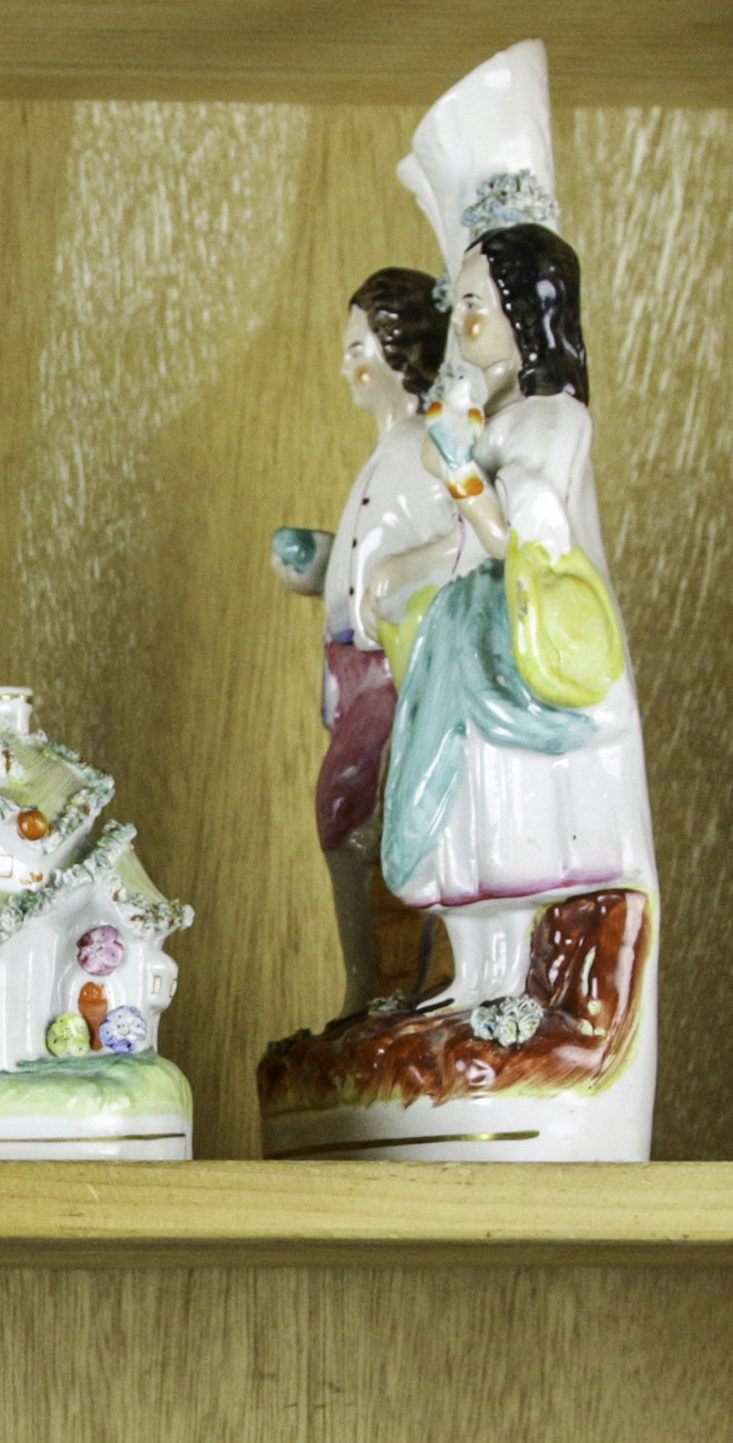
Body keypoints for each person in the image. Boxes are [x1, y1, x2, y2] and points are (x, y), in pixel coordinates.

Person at [369, 222, 656, 1036]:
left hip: (506, 632)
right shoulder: (494, 404)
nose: (463, 320)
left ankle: (512, 982)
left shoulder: (551, 416)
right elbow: (458, 518)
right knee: (446, 806)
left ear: (527, 313)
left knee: (503, 804)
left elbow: (515, 535)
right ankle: (471, 979)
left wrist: (462, 469)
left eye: (476, 303)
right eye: (457, 303)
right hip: (458, 630)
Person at [279, 270, 458, 1019]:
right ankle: (376, 981)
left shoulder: (424, 450)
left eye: (361, 346)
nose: (348, 364)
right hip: (353, 671)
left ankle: (399, 978)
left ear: (400, 353)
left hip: (395, 668)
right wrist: (321, 564)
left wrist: (389, 578)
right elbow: (364, 556)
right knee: (350, 813)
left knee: (358, 812)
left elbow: (459, 545)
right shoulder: (384, 456)